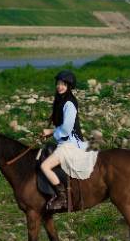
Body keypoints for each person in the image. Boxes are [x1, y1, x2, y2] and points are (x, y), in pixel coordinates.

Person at [40, 70, 98, 212]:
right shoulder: (61, 100)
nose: (60, 86)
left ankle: (62, 197)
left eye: (63, 84)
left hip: (70, 144)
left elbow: (66, 129)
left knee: (45, 166)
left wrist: (51, 131)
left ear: (69, 86)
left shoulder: (69, 103)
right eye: (58, 83)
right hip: (66, 142)